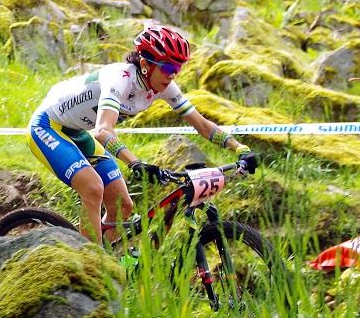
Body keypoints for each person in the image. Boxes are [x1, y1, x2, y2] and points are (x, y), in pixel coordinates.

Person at [27, 25, 257, 244]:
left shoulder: (164, 86)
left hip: (76, 131)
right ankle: (90, 269)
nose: (173, 75)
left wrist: (239, 148)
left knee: (123, 206)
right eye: (168, 68)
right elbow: (102, 131)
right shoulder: (119, 80)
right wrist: (136, 163)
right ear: (146, 63)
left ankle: (108, 260)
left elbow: (201, 125)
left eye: (178, 69)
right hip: (48, 126)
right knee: (93, 188)